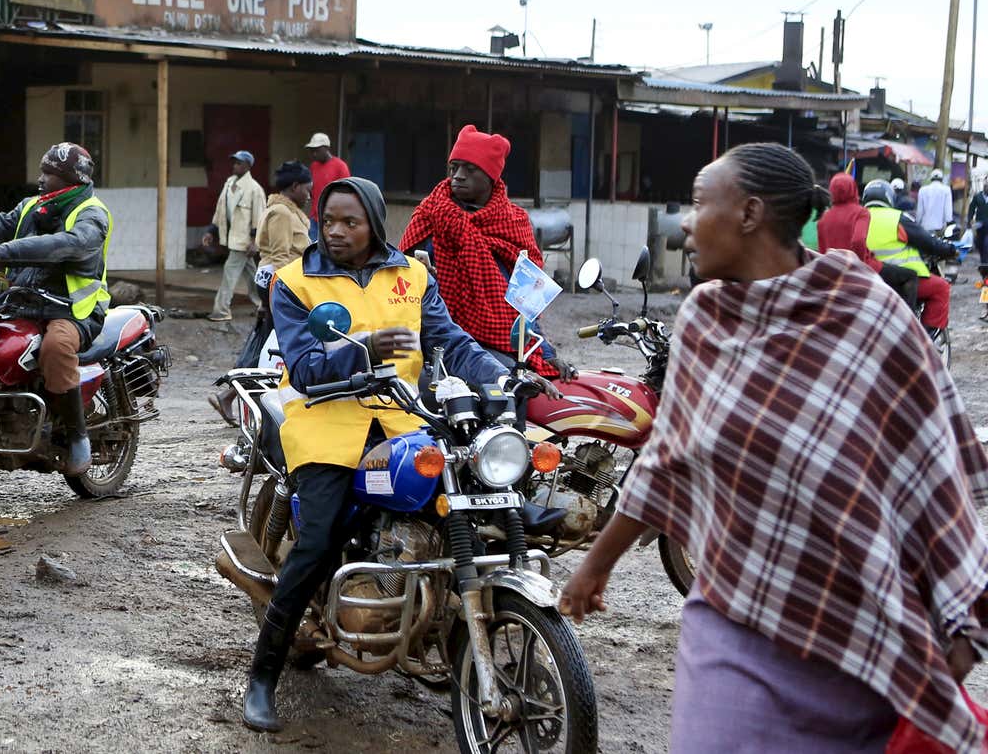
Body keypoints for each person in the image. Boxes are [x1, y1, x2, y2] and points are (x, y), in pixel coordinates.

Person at [560, 142, 988, 753]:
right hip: (735, 619)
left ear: (750, 214)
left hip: (856, 636)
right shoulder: (705, 319)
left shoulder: (864, 309)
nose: (686, 221)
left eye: (701, 202)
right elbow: (666, 460)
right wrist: (594, 567)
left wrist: (963, 622)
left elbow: (935, 460)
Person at [242, 177, 550, 733]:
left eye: (349, 222)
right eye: (328, 220)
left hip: (404, 421)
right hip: (327, 423)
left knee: (472, 509)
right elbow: (306, 365)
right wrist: (361, 348)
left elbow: (450, 341)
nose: (335, 231)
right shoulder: (294, 283)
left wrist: (506, 377)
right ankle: (263, 676)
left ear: (374, 225)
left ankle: (451, 629)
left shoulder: (412, 274)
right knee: (316, 543)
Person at [0, 142, 111, 477]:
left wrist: (8, 251)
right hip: (23, 304)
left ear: (71, 179)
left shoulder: (92, 213)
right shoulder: (32, 207)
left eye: (50, 174)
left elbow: (69, 245)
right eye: (43, 171)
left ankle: (77, 436)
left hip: (73, 310)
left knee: (56, 348)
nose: (41, 179)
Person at [399, 125, 572, 378]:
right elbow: (398, 279)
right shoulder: (430, 215)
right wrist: (424, 278)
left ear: (491, 177)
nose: (458, 176)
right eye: (453, 168)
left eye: (470, 169)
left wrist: (546, 353)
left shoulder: (515, 223)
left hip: (501, 341)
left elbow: (527, 302)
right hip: (438, 341)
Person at [208, 160, 312, 422]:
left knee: (267, 343)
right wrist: (278, 298)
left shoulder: (287, 210)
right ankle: (231, 396)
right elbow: (279, 258)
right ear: (295, 186)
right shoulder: (281, 213)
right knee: (271, 345)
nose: (310, 195)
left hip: (280, 285)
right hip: (279, 285)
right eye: (307, 189)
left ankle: (233, 396)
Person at [864, 177, 958, 330]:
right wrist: (950, 250)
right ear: (889, 197)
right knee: (941, 288)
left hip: (867, 280)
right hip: (902, 282)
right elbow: (928, 242)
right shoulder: (897, 218)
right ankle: (924, 341)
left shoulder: (858, 218)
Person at [203, 150, 265, 322]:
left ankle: (221, 310)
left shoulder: (254, 189)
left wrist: (254, 241)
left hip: (244, 242)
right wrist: (211, 231)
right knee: (252, 275)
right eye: (234, 162)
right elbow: (220, 211)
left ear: (247, 166)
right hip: (233, 238)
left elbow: (259, 218)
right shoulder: (229, 183)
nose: (234, 165)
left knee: (230, 272)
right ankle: (264, 303)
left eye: (238, 163)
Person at [303, 132, 350, 240]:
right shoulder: (314, 166)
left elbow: (346, 194)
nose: (314, 154)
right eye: (312, 151)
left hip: (333, 220)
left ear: (326, 148)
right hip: (315, 218)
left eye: (317, 150)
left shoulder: (340, 166)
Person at [917, 168, 954, 233]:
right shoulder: (946, 190)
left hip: (925, 226)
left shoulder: (922, 190)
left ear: (931, 179)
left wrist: (917, 222)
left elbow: (920, 211)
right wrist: (948, 222)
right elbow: (948, 211)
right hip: (939, 227)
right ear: (941, 179)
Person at [967, 178, 988, 264]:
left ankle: (985, 261)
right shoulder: (978, 197)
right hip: (980, 224)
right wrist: (970, 219)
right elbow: (972, 209)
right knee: (980, 243)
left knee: (986, 243)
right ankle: (982, 260)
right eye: (986, 186)